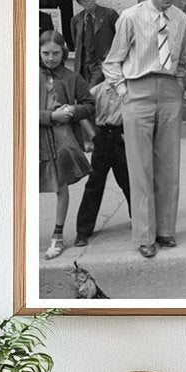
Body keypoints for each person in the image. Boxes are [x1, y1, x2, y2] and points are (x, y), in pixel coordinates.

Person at [101, 0, 186, 259]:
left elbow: (184, 60)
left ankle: (165, 230)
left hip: (168, 92)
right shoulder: (131, 17)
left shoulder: (181, 19)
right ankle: (144, 235)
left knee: (169, 166)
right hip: (137, 91)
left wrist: (179, 88)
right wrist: (124, 93)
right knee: (140, 169)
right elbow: (112, 62)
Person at [39, 30, 93, 260]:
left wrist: (72, 112)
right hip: (37, 136)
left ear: (64, 52)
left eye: (55, 53)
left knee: (61, 185)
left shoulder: (72, 78)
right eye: (45, 53)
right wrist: (50, 117)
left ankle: (58, 235)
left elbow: (89, 105)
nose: (50, 58)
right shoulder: (29, 76)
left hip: (61, 139)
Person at [74, 78, 130, 247]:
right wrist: (93, 135)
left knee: (129, 181)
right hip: (103, 136)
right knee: (94, 184)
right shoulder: (96, 90)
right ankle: (83, 230)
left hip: (122, 136)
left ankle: (141, 221)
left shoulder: (129, 88)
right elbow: (81, 112)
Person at [71, 0, 119, 87]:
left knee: (93, 94)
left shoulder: (109, 14)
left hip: (103, 63)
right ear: (79, 2)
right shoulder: (76, 20)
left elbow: (121, 38)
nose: (87, 0)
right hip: (84, 66)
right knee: (86, 96)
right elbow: (76, 42)